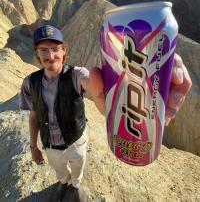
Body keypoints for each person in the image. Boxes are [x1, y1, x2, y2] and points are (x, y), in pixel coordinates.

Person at [20, 24, 192, 201]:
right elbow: (34, 117)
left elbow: (91, 83)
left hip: (75, 142)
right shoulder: (29, 83)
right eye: (43, 50)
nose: (50, 56)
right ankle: (63, 183)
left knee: (77, 169)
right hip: (49, 145)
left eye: (55, 49)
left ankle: (75, 186)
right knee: (60, 171)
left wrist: (130, 84)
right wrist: (34, 147)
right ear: (37, 54)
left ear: (64, 51)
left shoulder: (76, 74)